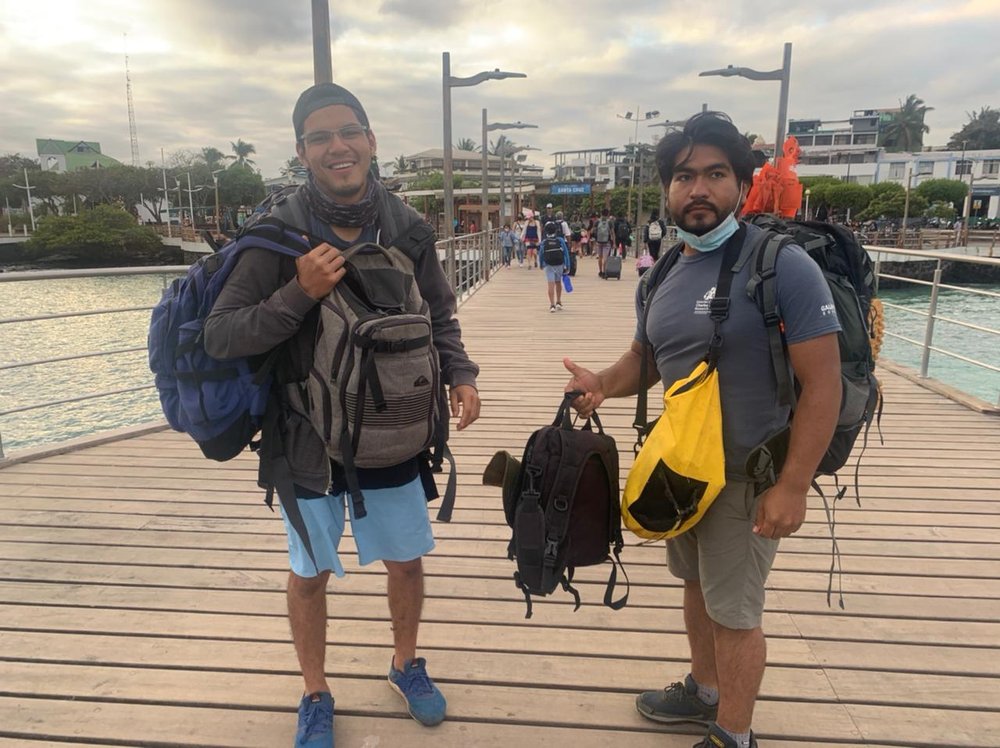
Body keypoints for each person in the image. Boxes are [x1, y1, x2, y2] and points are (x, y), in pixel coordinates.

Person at [203, 82, 482, 748]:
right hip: (307, 439)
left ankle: (405, 663)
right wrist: (298, 293)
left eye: (349, 131)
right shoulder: (275, 236)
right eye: (321, 136)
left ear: (371, 140)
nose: (338, 146)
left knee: (407, 561)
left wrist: (462, 373)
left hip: (397, 428)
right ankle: (315, 691)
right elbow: (221, 334)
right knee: (310, 573)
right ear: (303, 151)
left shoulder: (408, 227)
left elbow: (440, 312)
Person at [562, 111, 842, 748]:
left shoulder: (784, 267)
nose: (698, 188)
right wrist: (602, 383)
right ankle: (704, 688)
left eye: (715, 174)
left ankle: (732, 734)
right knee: (694, 585)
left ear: (740, 185)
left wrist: (794, 485)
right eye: (685, 176)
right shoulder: (660, 272)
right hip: (685, 466)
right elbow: (647, 360)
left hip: (750, 476)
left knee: (736, 612)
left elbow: (825, 384)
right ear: (668, 189)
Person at [538, 219, 571, 312]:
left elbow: (541, 254)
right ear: (556, 230)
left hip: (549, 265)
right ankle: (559, 301)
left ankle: (552, 305)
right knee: (558, 283)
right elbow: (566, 253)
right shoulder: (560, 240)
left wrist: (541, 264)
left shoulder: (544, 242)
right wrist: (568, 265)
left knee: (550, 284)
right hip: (560, 264)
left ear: (546, 231)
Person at [592, 208, 616, 277]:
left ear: (601, 213)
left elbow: (593, 231)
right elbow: (612, 233)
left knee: (600, 257)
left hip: (598, 242)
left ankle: (600, 271)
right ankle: (605, 271)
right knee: (605, 257)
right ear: (608, 214)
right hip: (607, 242)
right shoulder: (610, 222)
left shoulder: (597, 221)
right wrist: (614, 243)